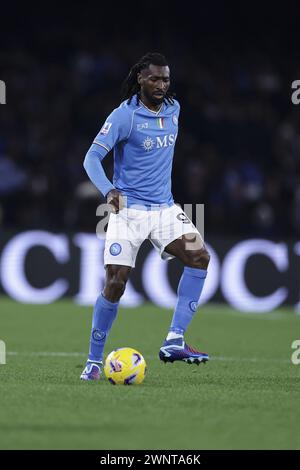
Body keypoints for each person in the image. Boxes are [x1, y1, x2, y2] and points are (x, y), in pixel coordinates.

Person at [80, 52, 210, 380]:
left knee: (199, 257)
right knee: (116, 283)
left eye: (165, 79)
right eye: (154, 78)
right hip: (128, 211)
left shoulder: (174, 109)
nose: (161, 85)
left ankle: (174, 340)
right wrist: (108, 190)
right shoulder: (124, 116)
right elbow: (91, 158)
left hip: (165, 208)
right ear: (140, 78)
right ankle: (94, 362)